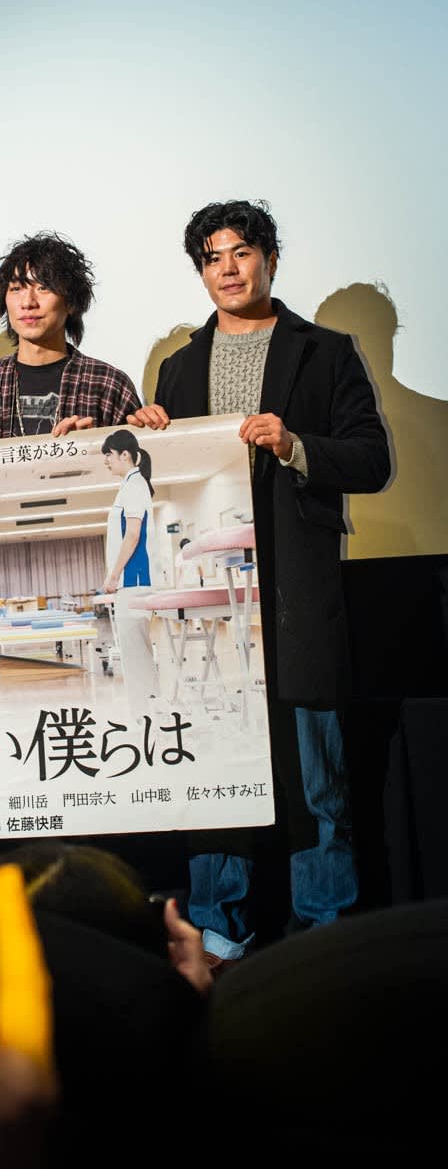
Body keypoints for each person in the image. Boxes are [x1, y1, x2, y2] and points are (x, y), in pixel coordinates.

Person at [129, 200, 390, 968]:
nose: (229, 269)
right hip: (208, 604)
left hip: (296, 597)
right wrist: (150, 436)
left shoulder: (326, 351)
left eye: (242, 252)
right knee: (215, 770)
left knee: (316, 782)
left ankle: (327, 932)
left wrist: (297, 444)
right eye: (213, 257)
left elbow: (373, 459)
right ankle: (220, 929)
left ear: (270, 259)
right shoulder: (179, 366)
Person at [0, 231, 141, 447]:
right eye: (16, 288)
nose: (28, 302)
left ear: (71, 302)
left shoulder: (108, 384)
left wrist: (92, 450)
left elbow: (136, 463)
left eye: (43, 288)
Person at [101, 429, 159, 722]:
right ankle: (147, 713)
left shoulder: (135, 486)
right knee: (136, 653)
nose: (106, 461)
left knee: (136, 654)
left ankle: (145, 716)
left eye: (108, 455)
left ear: (125, 454)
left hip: (134, 581)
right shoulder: (130, 486)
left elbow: (133, 535)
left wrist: (113, 576)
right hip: (130, 582)